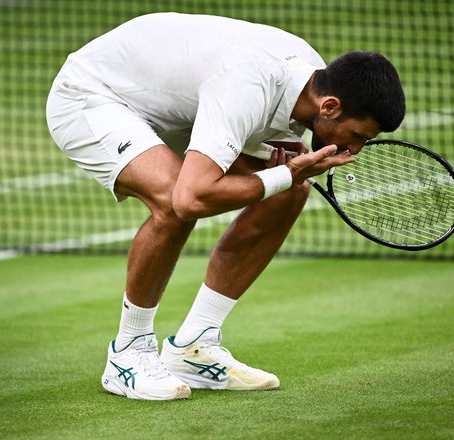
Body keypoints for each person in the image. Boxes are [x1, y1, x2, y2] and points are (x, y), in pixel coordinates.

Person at [46, 12, 405, 401]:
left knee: (289, 191)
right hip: (94, 95)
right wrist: (287, 173)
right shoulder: (247, 84)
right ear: (330, 107)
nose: (355, 150)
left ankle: (194, 347)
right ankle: (128, 353)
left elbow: (272, 165)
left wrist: (287, 175)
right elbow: (190, 198)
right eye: (356, 136)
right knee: (174, 201)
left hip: (181, 106)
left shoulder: (309, 83)